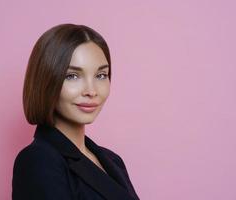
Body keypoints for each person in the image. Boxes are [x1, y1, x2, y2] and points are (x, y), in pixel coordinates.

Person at [12, 24, 140, 200]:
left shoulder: (113, 161)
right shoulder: (38, 161)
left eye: (101, 75)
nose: (91, 91)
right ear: (47, 81)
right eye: (72, 76)